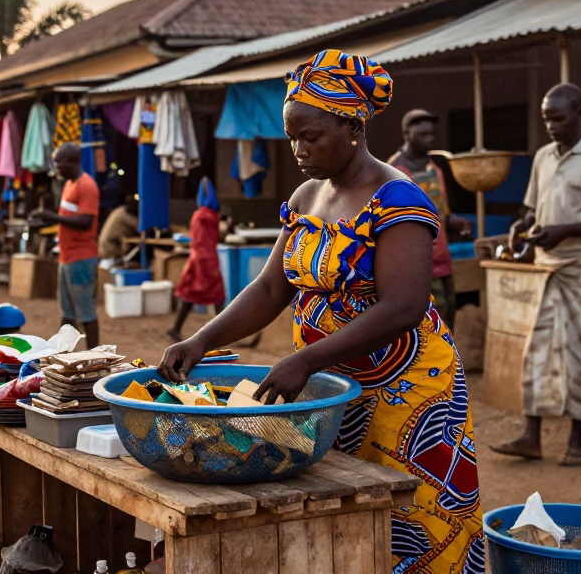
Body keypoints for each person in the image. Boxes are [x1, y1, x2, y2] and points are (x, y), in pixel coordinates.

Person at [159, 50, 484, 573]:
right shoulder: (307, 196)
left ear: (353, 126)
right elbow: (270, 289)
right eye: (292, 137)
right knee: (345, 515)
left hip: (407, 393)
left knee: (416, 523)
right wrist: (202, 339)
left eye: (312, 136)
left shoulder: (398, 198)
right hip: (332, 387)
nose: (299, 149)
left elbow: (404, 306)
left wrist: (306, 361)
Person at [491, 83, 581, 468]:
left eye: (559, 117)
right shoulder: (543, 158)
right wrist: (525, 224)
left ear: (579, 113)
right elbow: (536, 209)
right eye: (546, 118)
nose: (551, 125)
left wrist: (566, 230)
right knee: (538, 350)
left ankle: (577, 439)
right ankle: (531, 436)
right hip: (548, 266)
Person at [387, 109, 473, 328]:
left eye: (432, 135)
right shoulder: (395, 173)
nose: (429, 140)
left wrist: (454, 223)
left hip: (443, 263)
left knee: (447, 322)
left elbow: (442, 213)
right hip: (416, 268)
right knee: (426, 328)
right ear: (407, 134)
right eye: (422, 135)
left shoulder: (435, 169)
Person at [32, 143, 101, 349]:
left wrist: (52, 217)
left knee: (86, 313)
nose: (56, 167)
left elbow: (86, 221)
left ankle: (95, 355)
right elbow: (69, 217)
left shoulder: (86, 186)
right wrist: (45, 220)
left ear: (72, 161)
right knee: (67, 313)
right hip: (67, 256)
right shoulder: (70, 184)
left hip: (81, 257)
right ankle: (61, 354)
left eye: (58, 162)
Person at [165, 179, 225, 342]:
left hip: (195, 259)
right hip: (208, 260)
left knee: (190, 295)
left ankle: (176, 328)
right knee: (217, 296)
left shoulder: (197, 214)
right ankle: (221, 333)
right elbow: (218, 236)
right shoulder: (211, 216)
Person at [97, 199, 139, 263]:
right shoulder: (124, 214)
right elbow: (140, 227)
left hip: (105, 248)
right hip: (110, 250)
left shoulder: (119, 210)